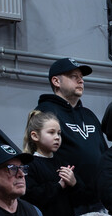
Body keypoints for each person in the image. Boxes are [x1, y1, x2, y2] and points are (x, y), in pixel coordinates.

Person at [34, 58, 103, 208]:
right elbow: (43, 156)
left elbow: (103, 152)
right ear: (56, 81)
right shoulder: (46, 112)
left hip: (98, 199)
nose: (81, 81)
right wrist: (76, 184)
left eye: (81, 77)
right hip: (67, 200)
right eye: (73, 76)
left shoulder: (89, 115)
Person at [22, 110, 80, 216]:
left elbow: (78, 198)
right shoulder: (30, 164)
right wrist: (59, 185)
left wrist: (74, 183)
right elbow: (32, 195)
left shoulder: (63, 162)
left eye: (59, 133)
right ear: (35, 136)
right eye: (51, 132)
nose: (57, 137)